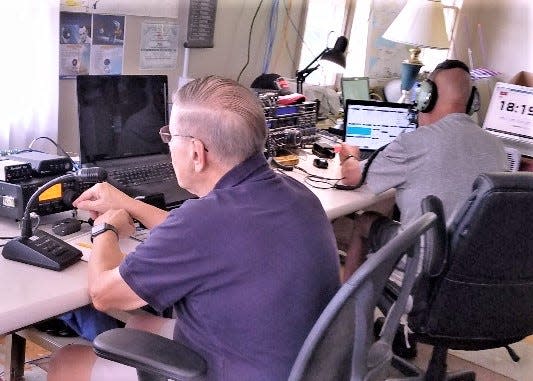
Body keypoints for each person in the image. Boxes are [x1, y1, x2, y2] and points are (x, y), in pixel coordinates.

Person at [48, 76, 340, 381]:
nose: (168, 145)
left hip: (236, 370)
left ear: (196, 153)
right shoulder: (296, 193)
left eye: (170, 136)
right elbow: (202, 236)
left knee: (67, 360)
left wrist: (104, 229)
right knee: (139, 324)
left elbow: (103, 295)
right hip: (297, 362)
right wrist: (129, 204)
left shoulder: (203, 221)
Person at [339, 59, 508, 282]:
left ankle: (346, 308)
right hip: (470, 271)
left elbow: (351, 177)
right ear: (471, 102)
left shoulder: (413, 143)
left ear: (426, 97)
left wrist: (350, 154)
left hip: (423, 267)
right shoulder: (497, 146)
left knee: (364, 221)